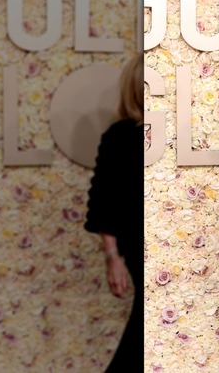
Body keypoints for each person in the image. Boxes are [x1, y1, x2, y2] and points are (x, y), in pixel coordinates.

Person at [84, 53, 144, 372]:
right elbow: (103, 201)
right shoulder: (120, 135)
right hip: (134, 244)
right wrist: (113, 257)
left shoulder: (164, 135)